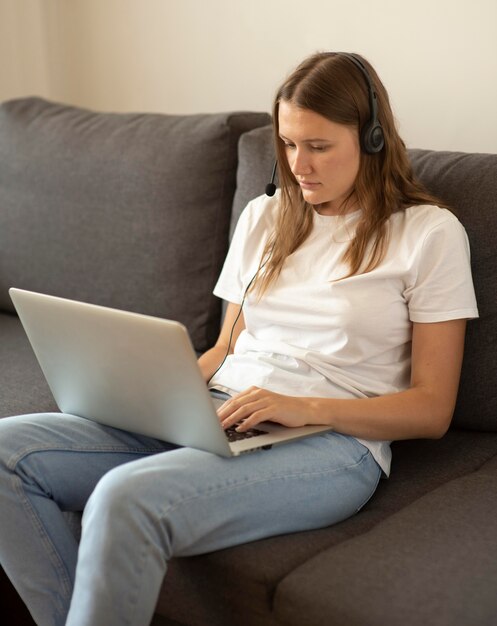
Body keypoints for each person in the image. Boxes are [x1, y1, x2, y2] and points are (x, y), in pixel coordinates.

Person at [0, 52, 478, 626]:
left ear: (372, 138)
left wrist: (300, 407)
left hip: (333, 442)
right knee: (6, 454)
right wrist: (152, 393)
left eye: (319, 145)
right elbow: (227, 346)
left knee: (124, 499)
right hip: (218, 411)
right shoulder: (264, 216)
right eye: (288, 143)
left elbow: (433, 410)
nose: (299, 165)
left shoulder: (428, 233)